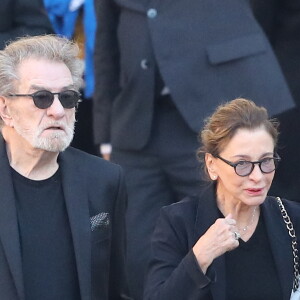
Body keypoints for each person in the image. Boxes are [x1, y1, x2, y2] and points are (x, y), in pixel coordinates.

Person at [93, 0, 299, 298]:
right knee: (137, 253)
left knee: (226, 239)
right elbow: (106, 44)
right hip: (137, 122)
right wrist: (106, 134)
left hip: (216, 107)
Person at [0, 35, 129, 299]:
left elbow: (116, 287)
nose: (58, 111)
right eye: (42, 97)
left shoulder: (104, 180)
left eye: (68, 97)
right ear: (5, 108)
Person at [144, 98, 300, 300]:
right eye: (242, 164)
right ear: (212, 165)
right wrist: (200, 257)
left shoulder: (291, 218)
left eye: (266, 161)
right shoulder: (178, 222)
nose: (258, 176)